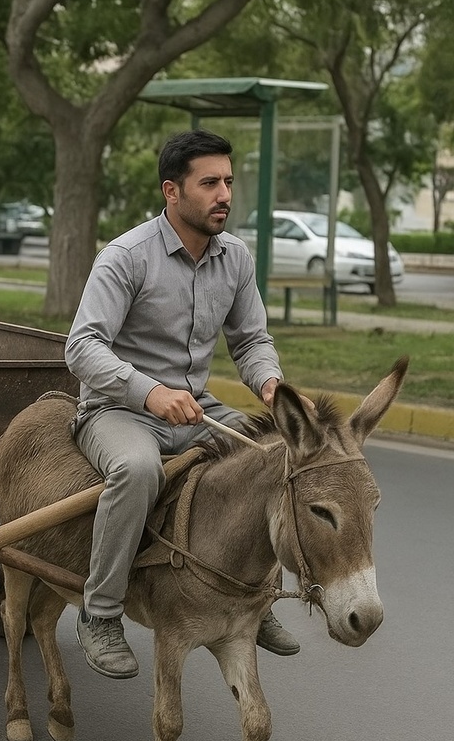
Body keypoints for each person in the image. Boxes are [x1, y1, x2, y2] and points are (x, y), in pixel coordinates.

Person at [64, 128, 300, 679]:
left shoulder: (235, 258)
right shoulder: (125, 256)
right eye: (210, 183)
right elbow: (81, 346)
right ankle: (99, 614)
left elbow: (250, 341)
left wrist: (270, 384)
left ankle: (258, 600)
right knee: (138, 469)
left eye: (229, 183)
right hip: (117, 411)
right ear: (172, 191)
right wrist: (150, 391)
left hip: (197, 408)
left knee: (273, 454)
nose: (224, 195)